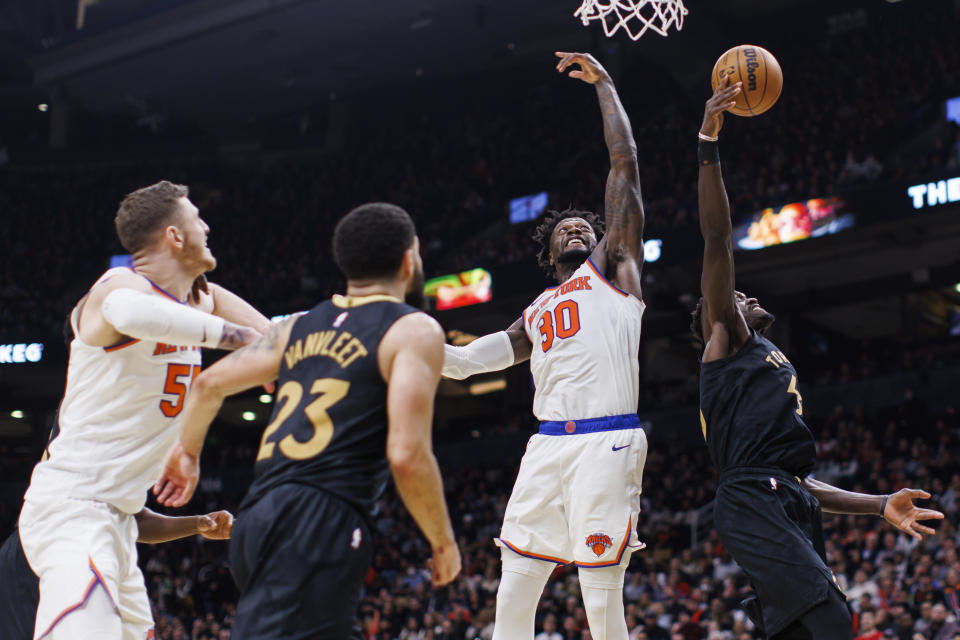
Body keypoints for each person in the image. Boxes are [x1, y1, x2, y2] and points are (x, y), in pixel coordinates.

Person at [691, 77, 943, 640]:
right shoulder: (724, 338)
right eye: (735, 295)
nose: (746, 295)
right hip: (752, 494)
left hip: (783, 492)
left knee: (804, 629)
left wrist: (878, 504)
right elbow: (715, 236)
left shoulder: (761, 351)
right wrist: (708, 141)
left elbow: (804, 483)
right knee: (830, 617)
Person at [153, 202, 462, 638]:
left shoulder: (296, 326)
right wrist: (443, 541)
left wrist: (187, 452)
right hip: (317, 519)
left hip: (256, 518)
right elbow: (407, 453)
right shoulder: (414, 329)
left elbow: (207, 386)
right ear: (409, 261)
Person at [442, 52, 647, 640]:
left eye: (587, 225)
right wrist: (415, 342)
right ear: (548, 250)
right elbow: (465, 364)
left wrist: (605, 85)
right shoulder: (534, 310)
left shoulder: (614, 272)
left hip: (606, 436)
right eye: (565, 228)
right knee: (517, 577)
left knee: (599, 584)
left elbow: (624, 164)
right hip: (546, 445)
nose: (578, 228)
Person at [18, 180, 269, 639]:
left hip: (113, 526)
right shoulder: (119, 285)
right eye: (197, 218)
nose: (207, 226)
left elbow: (275, 337)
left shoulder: (198, 300)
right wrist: (242, 341)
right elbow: (130, 313)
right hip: (70, 511)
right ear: (174, 236)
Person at [0, 507, 234, 640]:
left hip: (87, 547)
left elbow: (131, 517)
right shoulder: (93, 431)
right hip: (45, 549)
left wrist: (196, 524)